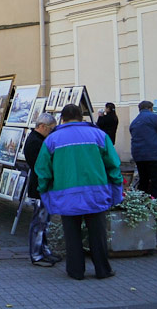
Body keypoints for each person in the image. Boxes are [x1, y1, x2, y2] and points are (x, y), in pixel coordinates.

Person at [35, 104, 123, 281]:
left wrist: (44, 191)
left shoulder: (52, 140)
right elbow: (113, 165)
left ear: (62, 118)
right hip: (96, 194)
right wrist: (116, 188)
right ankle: (103, 270)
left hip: (66, 196)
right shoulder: (99, 135)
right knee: (98, 235)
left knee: (72, 235)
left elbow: (43, 170)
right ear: (81, 117)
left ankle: (75, 271)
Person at [23, 113, 61, 267]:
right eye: (51, 129)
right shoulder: (35, 142)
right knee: (39, 222)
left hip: (41, 186)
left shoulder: (38, 140)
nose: (52, 132)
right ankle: (37, 254)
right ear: (43, 127)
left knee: (44, 222)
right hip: (39, 187)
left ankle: (44, 250)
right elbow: (42, 165)